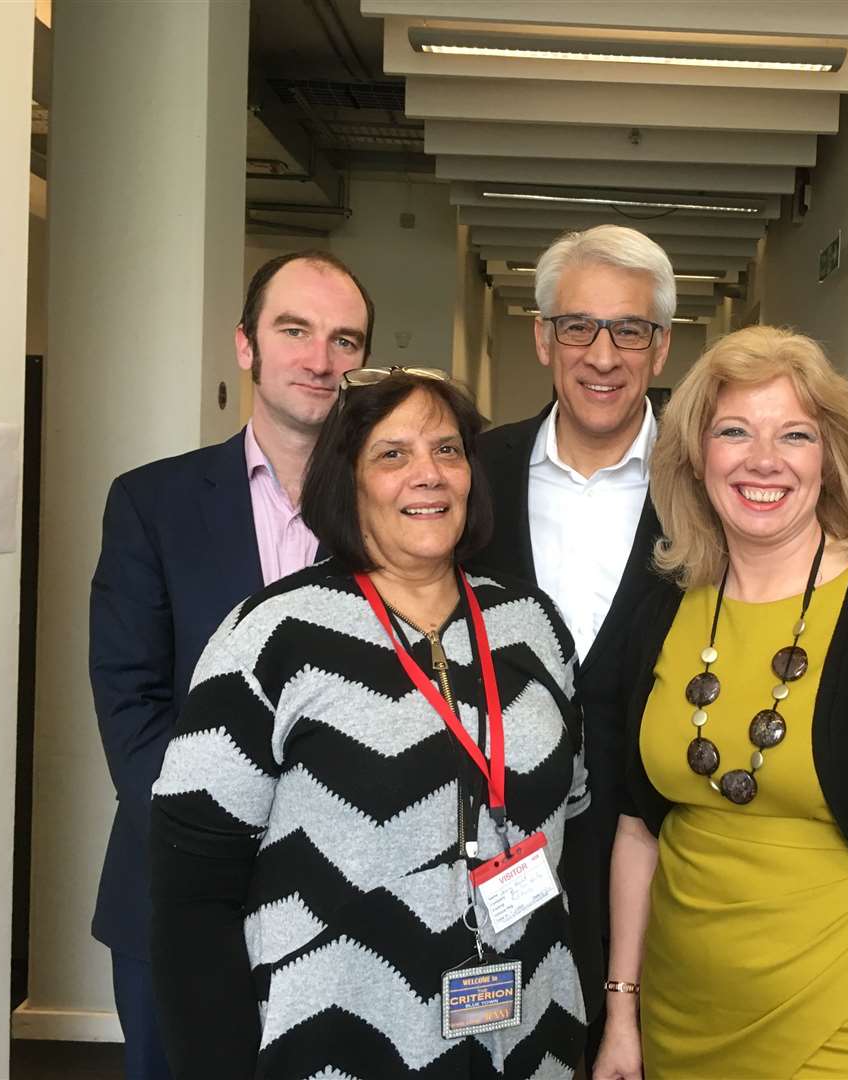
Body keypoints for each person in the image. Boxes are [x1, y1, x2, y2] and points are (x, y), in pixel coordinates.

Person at [149, 369, 590, 1079]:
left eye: (448, 451)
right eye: (393, 455)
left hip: (530, 1038)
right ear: (345, 479)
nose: (429, 475)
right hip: (333, 1051)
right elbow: (189, 895)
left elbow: (576, 819)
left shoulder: (531, 626)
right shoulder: (272, 635)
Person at [593, 326, 848, 1080]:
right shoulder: (660, 613)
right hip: (678, 1025)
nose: (762, 459)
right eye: (734, 431)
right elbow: (638, 832)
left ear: (830, 460)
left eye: (795, 435)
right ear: (696, 458)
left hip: (841, 1031)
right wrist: (621, 1013)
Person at [88, 250, 372, 1080]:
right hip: (180, 893)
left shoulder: (400, 516)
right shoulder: (153, 504)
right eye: (296, 331)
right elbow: (131, 706)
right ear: (245, 346)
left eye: (344, 340)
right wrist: (233, 840)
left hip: (350, 907)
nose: (320, 360)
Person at [469, 224, 674, 1028]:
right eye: (578, 326)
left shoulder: (711, 485)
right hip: (495, 843)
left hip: (661, 851)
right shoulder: (471, 474)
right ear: (542, 338)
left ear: (660, 348)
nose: (602, 354)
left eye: (629, 329)